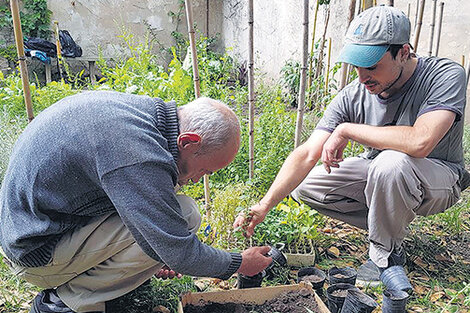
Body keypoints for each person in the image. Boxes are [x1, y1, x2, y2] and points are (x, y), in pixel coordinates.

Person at [234, 5, 469, 290]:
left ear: (404, 52)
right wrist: (264, 204)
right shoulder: (356, 94)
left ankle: (384, 257)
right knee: (307, 185)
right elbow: (308, 153)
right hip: (384, 172)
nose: (362, 77)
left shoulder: (444, 75)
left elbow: (421, 141)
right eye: (357, 65)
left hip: (439, 176)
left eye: (371, 66)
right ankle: (388, 228)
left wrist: (346, 130)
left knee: (391, 164)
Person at [0, 91, 272, 313]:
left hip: (38, 224)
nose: (199, 178)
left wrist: (158, 251)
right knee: (185, 216)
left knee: (166, 225)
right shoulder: (137, 153)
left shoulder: (144, 116)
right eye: (205, 170)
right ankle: (64, 302)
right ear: (188, 142)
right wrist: (238, 263)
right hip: (35, 253)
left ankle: (94, 280)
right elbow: (180, 252)